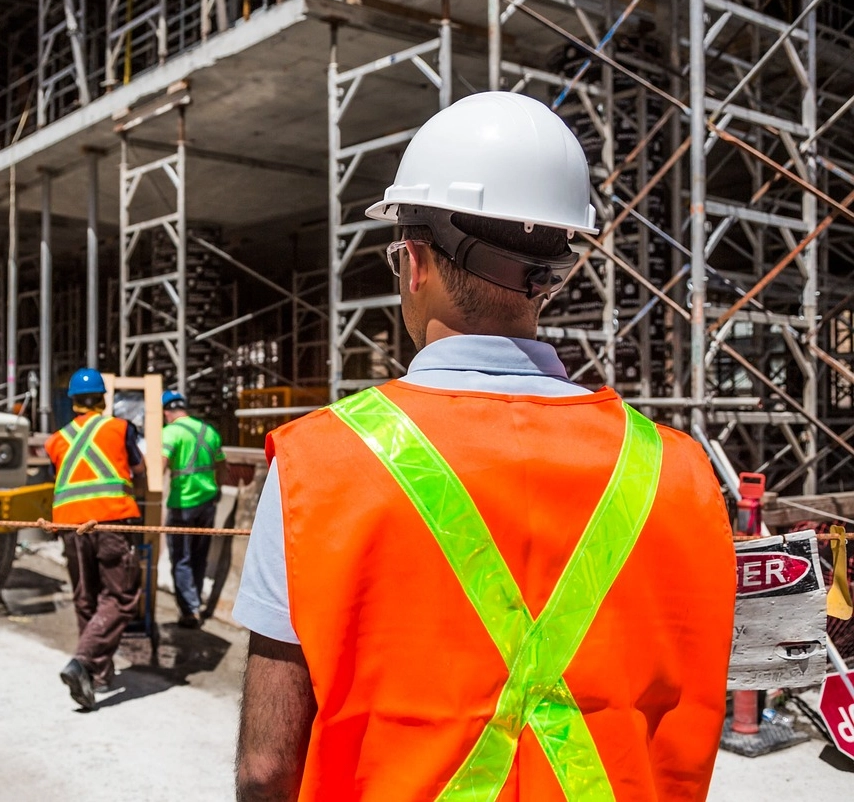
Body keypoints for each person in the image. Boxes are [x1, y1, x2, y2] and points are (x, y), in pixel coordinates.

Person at [234, 92, 736, 800]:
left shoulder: (319, 465)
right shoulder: (677, 470)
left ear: (413, 262)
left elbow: (266, 767)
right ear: (552, 276)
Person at [45, 367, 147, 710]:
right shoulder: (120, 428)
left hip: (70, 527)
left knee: (86, 597)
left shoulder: (56, 440)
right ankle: (83, 662)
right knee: (122, 597)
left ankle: (98, 675)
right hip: (110, 520)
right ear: (104, 399)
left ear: (72, 401)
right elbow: (140, 469)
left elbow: (58, 479)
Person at [161, 390, 226, 628]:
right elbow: (222, 465)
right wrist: (216, 489)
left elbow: (161, 464)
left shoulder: (170, 432)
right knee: (199, 556)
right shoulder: (209, 431)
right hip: (207, 503)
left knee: (181, 558)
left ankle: (189, 611)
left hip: (182, 504)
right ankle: (195, 601)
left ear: (166, 412)